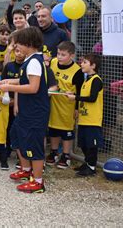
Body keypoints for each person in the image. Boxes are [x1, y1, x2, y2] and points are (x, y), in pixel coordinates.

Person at [0, 27, 50, 193]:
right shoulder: (31, 60)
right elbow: (25, 79)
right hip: (27, 111)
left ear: (29, 43)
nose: (16, 47)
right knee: (17, 135)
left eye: (18, 43)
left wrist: (8, 86)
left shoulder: (34, 61)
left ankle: (38, 181)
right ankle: (26, 170)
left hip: (35, 111)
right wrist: (9, 81)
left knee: (34, 144)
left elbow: (33, 87)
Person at [47, 41, 84, 169]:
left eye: (63, 54)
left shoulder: (77, 71)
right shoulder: (52, 63)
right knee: (53, 129)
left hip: (67, 105)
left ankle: (66, 155)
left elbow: (80, 91)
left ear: (71, 56)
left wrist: (77, 108)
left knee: (66, 131)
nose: (60, 57)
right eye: (58, 54)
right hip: (53, 103)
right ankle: (54, 152)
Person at [66, 53, 103, 177]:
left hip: (92, 119)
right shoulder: (86, 80)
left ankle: (91, 167)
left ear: (93, 65)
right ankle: (87, 163)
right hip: (84, 118)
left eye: (85, 62)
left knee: (91, 145)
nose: (81, 64)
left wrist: (75, 97)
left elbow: (92, 98)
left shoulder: (96, 80)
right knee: (83, 143)